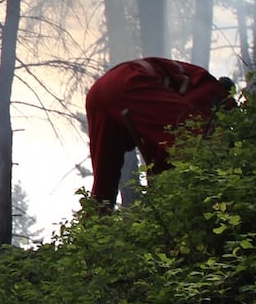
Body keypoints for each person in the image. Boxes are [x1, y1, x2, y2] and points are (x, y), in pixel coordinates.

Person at [85, 57, 235, 210]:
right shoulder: (212, 91)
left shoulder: (190, 81)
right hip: (131, 80)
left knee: (103, 185)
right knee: (200, 141)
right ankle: (167, 211)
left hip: (98, 92)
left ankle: (91, 229)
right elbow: (194, 138)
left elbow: (160, 138)